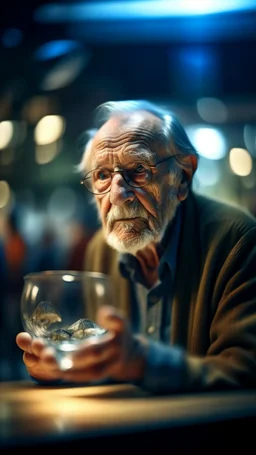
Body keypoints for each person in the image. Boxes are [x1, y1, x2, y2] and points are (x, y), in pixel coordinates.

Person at [16, 100, 256, 393]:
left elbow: (246, 370)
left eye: (138, 170)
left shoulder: (237, 239)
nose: (117, 195)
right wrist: (64, 369)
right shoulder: (99, 249)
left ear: (183, 177)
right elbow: (104, 364)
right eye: (102, 175)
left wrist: (144, 363)